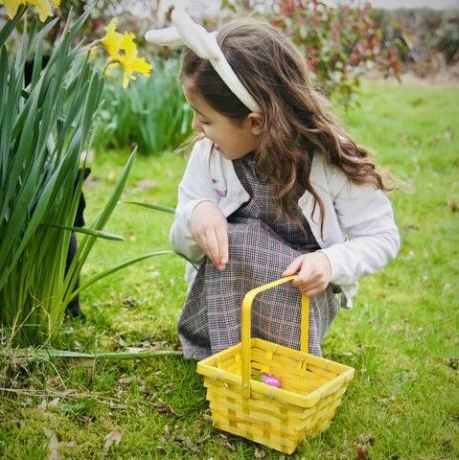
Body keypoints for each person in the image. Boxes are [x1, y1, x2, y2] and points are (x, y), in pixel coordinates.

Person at [145, 8, 400, 359]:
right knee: (237, 238)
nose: (195, 128)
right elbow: (181, 243)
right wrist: (196, 214)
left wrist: (329, 262)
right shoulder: (209, 156)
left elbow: (383, 237)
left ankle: (284, 357)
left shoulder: (326, 159)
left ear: (256, 122)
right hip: (220, 302)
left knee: (245, 239)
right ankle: (218, 351)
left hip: (296, 305)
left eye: (205, 118)